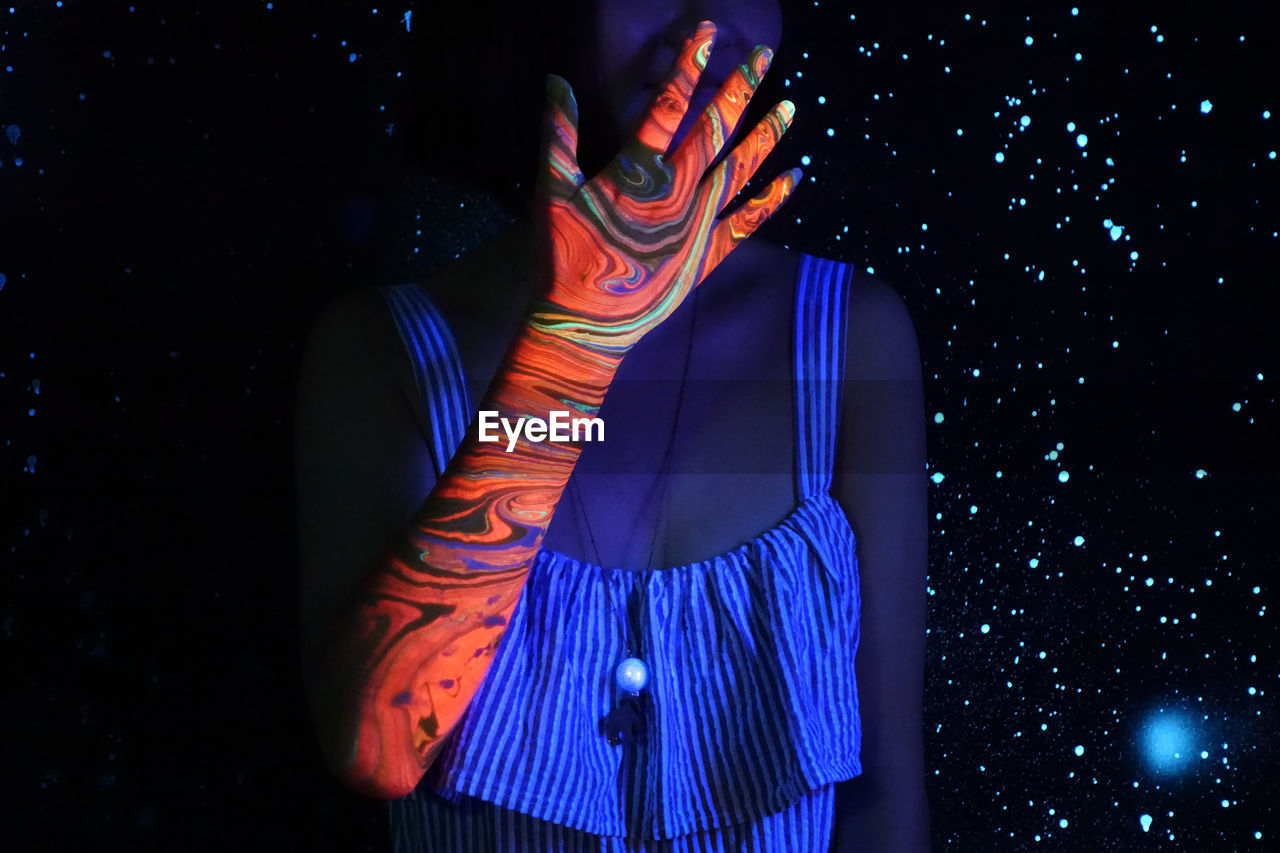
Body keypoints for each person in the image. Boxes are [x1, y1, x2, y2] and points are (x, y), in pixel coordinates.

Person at [294, 2, 929, 850]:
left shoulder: (848, 336)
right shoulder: (382, 353)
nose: (706, 22)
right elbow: (378, 748)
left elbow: (884, 799)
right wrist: (571, 349)